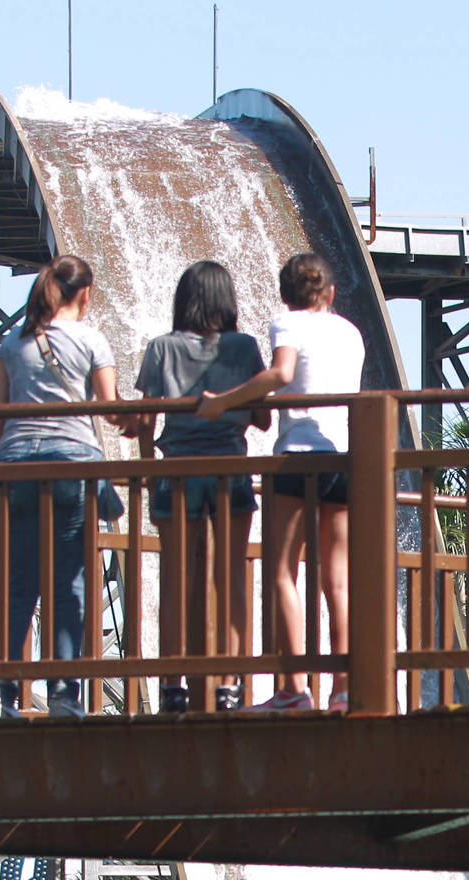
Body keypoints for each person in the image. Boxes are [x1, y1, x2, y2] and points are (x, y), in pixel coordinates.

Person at [195, 252, 366, 711]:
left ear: (286, 294)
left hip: (297, 459)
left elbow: (282, 373)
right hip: (344, 458)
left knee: (280, 572)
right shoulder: (350, 332)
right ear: (329, 293)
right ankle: (344, 689)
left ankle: (293, 689)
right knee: (338, 580)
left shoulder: (287, 323)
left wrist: (221, 402)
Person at [0, 254, 125, 720]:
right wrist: (140, 420)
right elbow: (109, 408)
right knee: (70, 584)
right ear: (84, 294)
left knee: (19, 584)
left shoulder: (14, 342)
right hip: (71, 465)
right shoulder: (89, 339)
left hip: (18, 465)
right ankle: (65, 695)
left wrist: (14, 455)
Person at [134, 260, 267, 713]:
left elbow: (145, 418)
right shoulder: (244, 347)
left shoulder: (161, 348)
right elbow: (264, 416)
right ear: (227, 301)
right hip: (230, 467)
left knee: (175, 580)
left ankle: (172, 685)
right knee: (231, 579)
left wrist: (149, 471)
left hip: (177, 469)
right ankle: (231, 684)